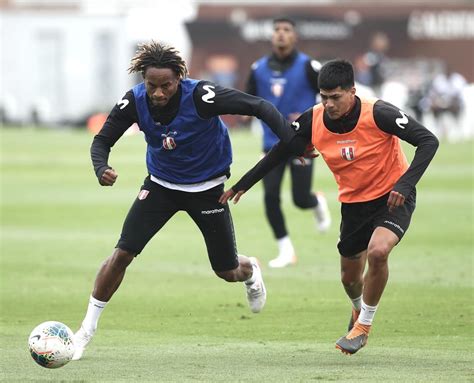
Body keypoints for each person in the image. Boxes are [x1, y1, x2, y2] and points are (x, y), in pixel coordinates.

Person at [72, 41, 297, 360]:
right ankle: (85, 332)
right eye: (152, 85)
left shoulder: (202, 96)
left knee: (227, 271)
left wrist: (291, 142)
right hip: (161, 185)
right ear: (143, 81)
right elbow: (102, 141)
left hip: (208, 189)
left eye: (166, 85)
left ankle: (252, 270)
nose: (159, 93)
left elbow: (260, 107)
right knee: (122, 254)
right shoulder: (134, 101)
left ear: (180, 77)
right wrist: (101, 167)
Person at [220, 59, 439, 354]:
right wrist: (242, 184)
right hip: (353, 204)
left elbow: (428, 141)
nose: (329, 103)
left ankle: (363, 326)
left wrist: (405, 184)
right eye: (324, 97)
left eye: (336, 97)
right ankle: (358, 310)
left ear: (352, 90)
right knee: (350, 279)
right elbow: (280, 151)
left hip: (392, 196)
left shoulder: (379, 112)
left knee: (378, 251)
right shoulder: (314, 118)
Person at [245, 16, 331, 268]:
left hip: (302, 142)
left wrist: (310, 116)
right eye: (277, 30)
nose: (281, 34)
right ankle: (285, 250)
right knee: (270, 196)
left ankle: (316, 202)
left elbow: (329, 97)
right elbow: (247, 101)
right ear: (272, 36)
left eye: (286, 30)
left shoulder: (309, 66)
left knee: (299, 199)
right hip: (271, 144)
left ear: (294, 36)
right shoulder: (258, 68)